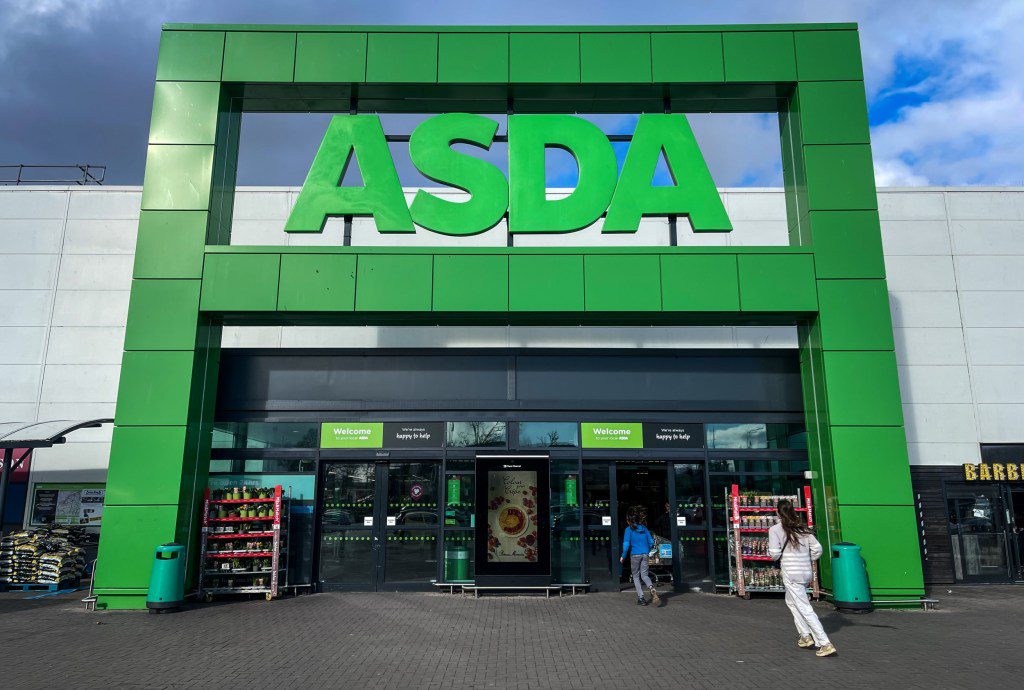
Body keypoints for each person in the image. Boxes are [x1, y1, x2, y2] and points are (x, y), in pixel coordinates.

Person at [768, 499, 836, 657]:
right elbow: (818, 549)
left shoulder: (776, 529)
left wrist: (778, 555)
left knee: (805, 608)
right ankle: (805, 635)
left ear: (778, 513)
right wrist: (807, 558)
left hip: (791, 573)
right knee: (791, 601)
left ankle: (824, 642)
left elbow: (774, 554)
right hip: (805, 572)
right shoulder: (803, 528)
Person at [620, 506, 659, 606]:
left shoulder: (628, 530)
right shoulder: (644, 528)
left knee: (636, 576)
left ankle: (641, 598)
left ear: (629, 520)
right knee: (645, 575)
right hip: (645, 554)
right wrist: (647, 550)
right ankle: (651, 588)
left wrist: (623, 556)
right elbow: (651, 542)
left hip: (635, 555)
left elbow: (626, 545)